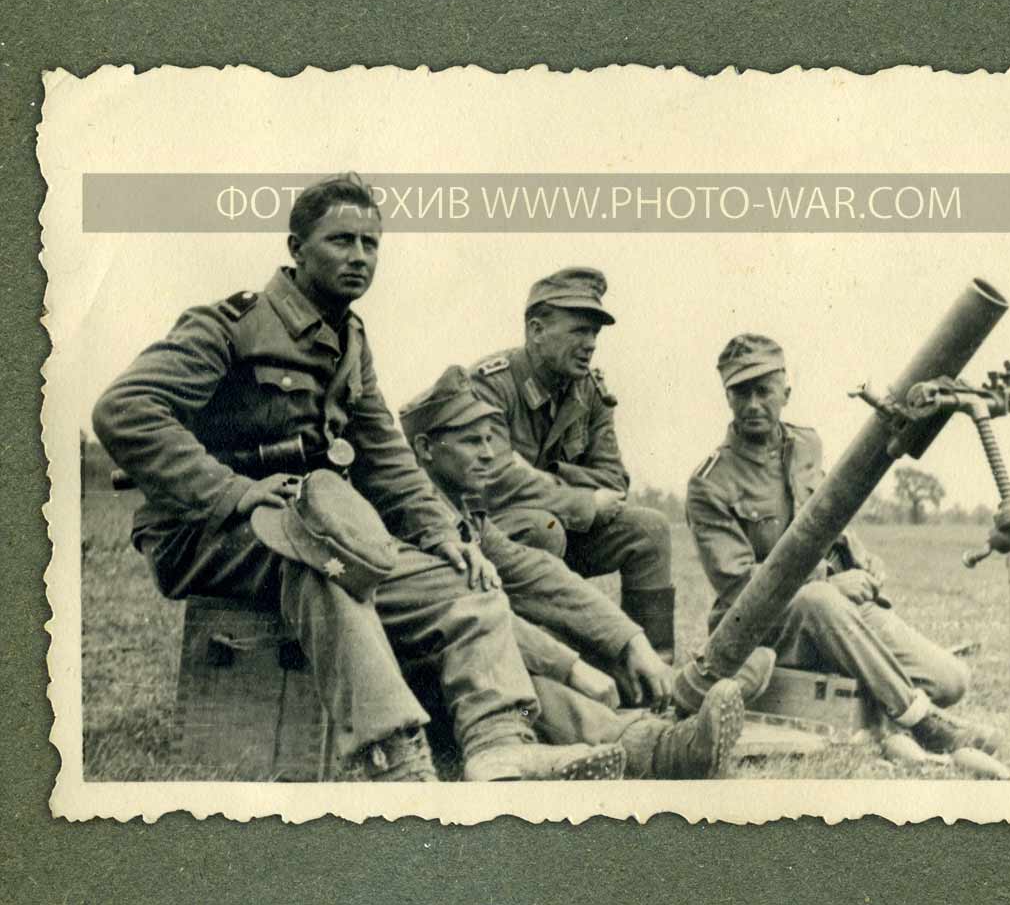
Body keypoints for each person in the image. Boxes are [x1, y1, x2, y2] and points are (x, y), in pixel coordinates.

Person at [92, 173, 622, 782]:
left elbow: (384, 454)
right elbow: (124, 410)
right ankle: (396, 758)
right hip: (202, 534)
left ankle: (500, 745)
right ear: (296, 248)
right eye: (342, 240)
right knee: (322, 556)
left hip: (314, 529)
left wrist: (443, 533)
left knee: (463, 581)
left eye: (371, 244)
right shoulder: (231, 325)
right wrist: (234, 493)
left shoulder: (350, 341)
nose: (360, 257)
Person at [398, 365, 777, 778]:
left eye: (490, 438)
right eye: (472, 441)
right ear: (425, 449)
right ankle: (654, 749)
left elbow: (542, 577)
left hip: (466, 665)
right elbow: (473, 616)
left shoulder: (463, 514)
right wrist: (571, 667)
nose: (489, 453)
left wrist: (631, 642)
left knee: (571, 635)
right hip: (430, 680)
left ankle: (679, 694)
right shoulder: (409, 524)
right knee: (524, 667)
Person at [684, 334, 999, 755]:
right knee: (818, 600)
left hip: (833, 608)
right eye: (741, 393)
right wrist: (829, 583)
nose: (754, 404)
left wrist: (860, 558)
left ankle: (878, 692)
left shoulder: (807, 445)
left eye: (764, 390)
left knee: (951, 680)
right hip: (759, 629)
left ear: (786, 392)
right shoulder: (710, 482)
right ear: (727, 397)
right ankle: (921, 722)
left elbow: (826, 515)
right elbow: (740, 584)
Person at [467, 267, 676, 659]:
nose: (590, 344)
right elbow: (492, 479)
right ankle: (537, 661)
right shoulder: (490, 385)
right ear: (536, 330)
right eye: (579, 331)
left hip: (565, 529)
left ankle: (655, 668)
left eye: (594, 333)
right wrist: (581, 500)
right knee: (543, 526)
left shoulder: (589, 390)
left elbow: (614, 481)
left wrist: (544, 476)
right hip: (492, 536)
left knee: (650, 529)